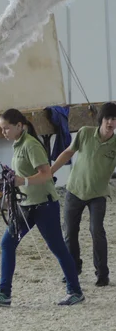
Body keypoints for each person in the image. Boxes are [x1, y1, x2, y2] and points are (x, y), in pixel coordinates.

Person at [0, 108, 84, 307]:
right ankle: (4, 293)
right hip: (25, 206)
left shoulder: (31, 145)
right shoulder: (18, 145)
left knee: (58, 249)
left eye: (6, 128)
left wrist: (21, 180)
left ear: (19, 126)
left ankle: (75, 291)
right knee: (7, 243)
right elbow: (23, 172)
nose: (3, 132)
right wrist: (12, 176)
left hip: (44, 205)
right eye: (2, 129)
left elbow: (46, 174)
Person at [51, 102, 116, 287]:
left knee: (97, 231)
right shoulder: (85, 133)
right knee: (70, 232)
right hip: (75, 190)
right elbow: (68, 152)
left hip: (98, 194)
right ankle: (73, 269)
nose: (110, 122)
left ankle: (102, 273)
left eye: (114, 119)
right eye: (107, 118)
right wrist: (51, 170)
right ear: (101, 119)